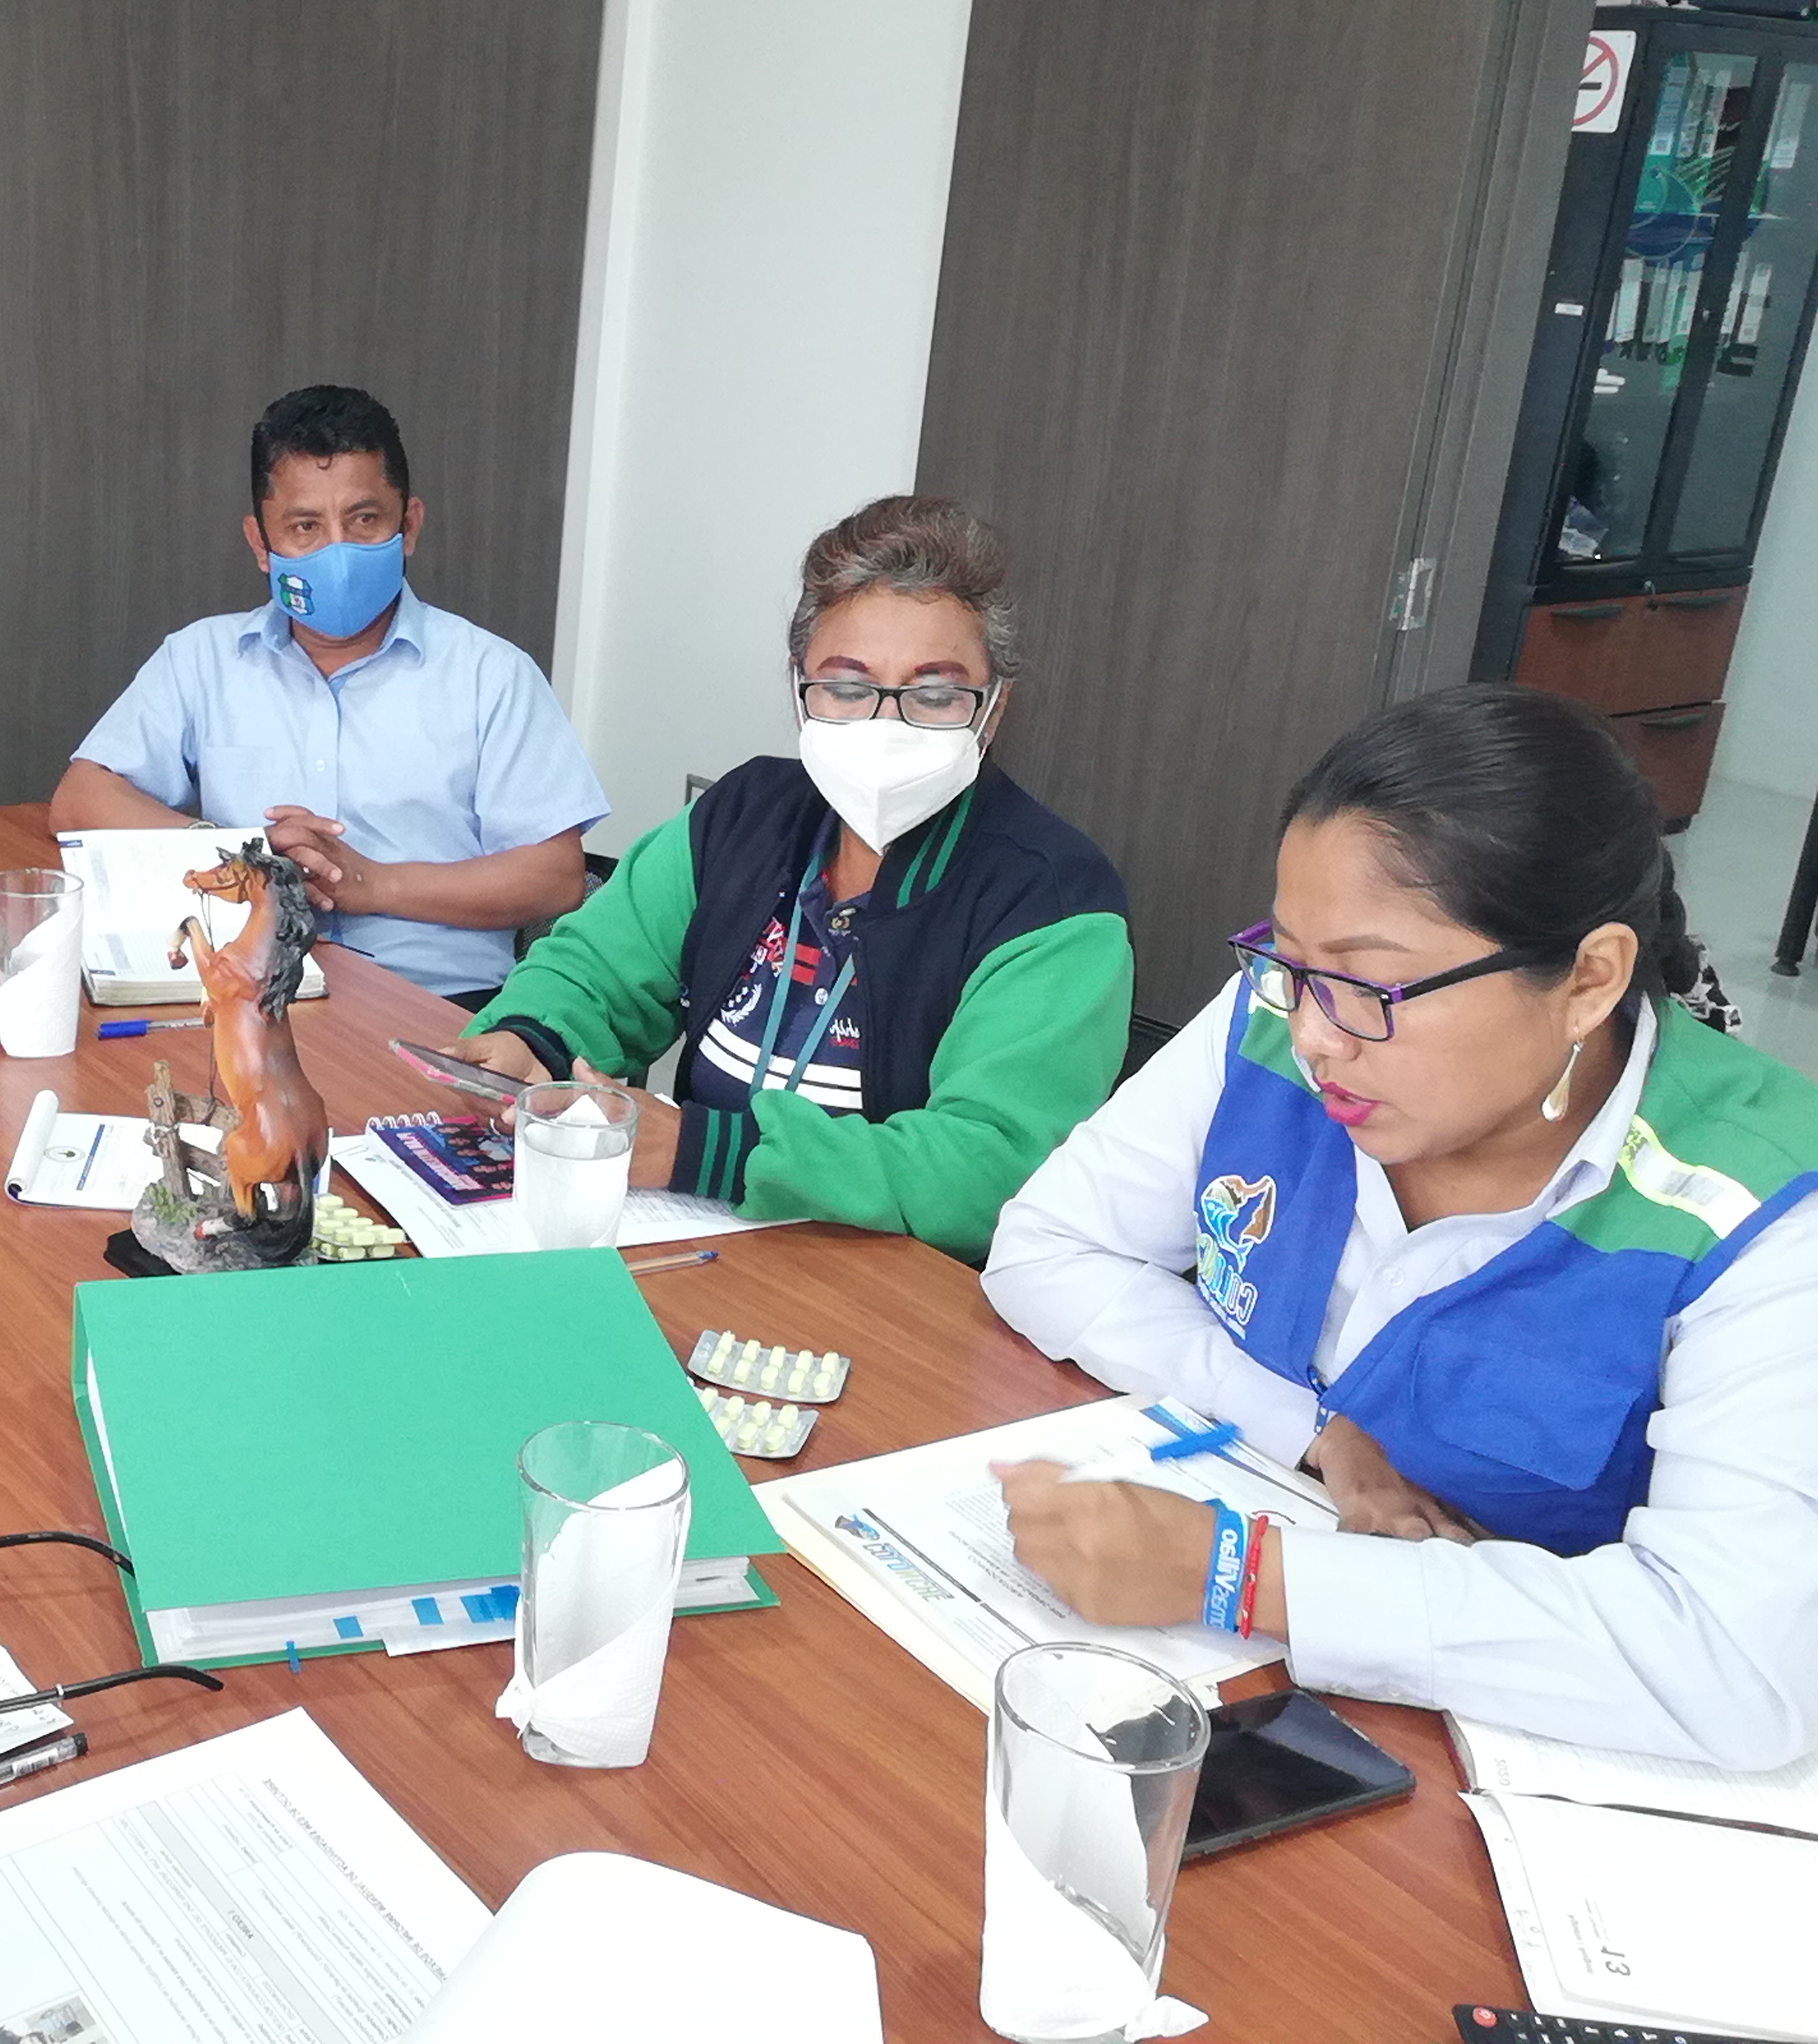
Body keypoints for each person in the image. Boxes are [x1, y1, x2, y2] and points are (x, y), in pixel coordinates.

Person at [986, 684, 1818, 1767]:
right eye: (1290, 959)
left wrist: (1246, 1575)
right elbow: (1048, 1248)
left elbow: (1733, 1663)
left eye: (1372, 984)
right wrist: (1314, 1432)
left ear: (1588, 979)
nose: (1314, 1036)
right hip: (1300, 1694)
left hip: (1527, 1756)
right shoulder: (1283, 1022)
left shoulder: (1763, 1212)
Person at [443, 496, 1130, 1261]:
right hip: (700, 1244)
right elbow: (595, 970)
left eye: (935, 694)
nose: (886, 724)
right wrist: (532, 1040)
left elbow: (989, 1169)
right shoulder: (745, 814)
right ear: (800, 690)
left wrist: (706, 1151)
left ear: (993, 709)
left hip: (896, 1284)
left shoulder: (1053, 898)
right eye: (848, 687)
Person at [49, 384, 606, 1007]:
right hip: (253, 991)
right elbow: (81, 797)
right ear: (261, 544)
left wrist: (370, 883)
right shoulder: (202, 658)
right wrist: (244, 857)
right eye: (305, 527)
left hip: (436, 1002)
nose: (337, 551)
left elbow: (554, 877)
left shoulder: (493, 675)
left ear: (409, 525)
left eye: (365, 520)